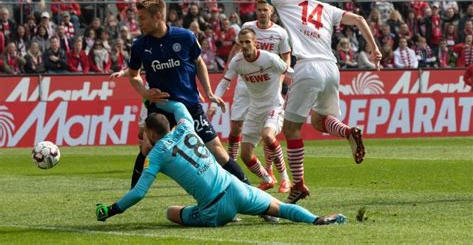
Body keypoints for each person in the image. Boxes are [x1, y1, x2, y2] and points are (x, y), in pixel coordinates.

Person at [95, 100, 347, 227]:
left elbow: (139, 192)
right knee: (279, 208)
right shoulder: (185, 126)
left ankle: (214, 215)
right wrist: (161, 103)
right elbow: (181, 106)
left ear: (150, 134)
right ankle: (317, 220)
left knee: (171, 212)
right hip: (236, 188)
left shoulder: (157, 154)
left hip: (214, 209)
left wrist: (111, 210)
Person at [246, 0, 382, 203]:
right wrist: (375, 49)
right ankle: (347, 132)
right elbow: (358, 19)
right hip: (331, 68)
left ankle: (298, 185)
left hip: (308, 67)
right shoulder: (326, 8)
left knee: (291, 129)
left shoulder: (287, 0)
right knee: (320, 121)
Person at [127, 0, 250, 192]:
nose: (139, 22)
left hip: (190, 107)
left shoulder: (184, 37)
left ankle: (251, 193)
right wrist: (144, 91)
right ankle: (132, 195)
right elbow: (133, 75)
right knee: (147, 148)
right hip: (160, 107)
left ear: (158, 16)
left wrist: (208, 91)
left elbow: (199, 62)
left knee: (216, 150)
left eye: (142, 18)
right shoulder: (140, 46)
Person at [214, 0, 292, 194]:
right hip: (255, 108)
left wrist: (307, 85)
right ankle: (267, 178)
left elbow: (289, 70)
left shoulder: (270, 57)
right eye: (243, 43)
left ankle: (285, 179)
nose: (246, 45)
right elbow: (225, 81)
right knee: (246, 153)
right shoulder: (238, 62)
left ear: (255, 43)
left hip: (273, 104)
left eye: (249, 42)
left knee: (268, 135)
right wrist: (214, 102)